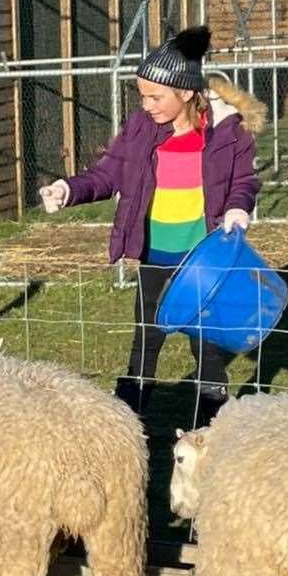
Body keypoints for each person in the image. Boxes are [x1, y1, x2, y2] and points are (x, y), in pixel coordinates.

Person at [40, 26, 266, 427]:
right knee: (146, 338)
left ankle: (211, 429)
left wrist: (237, 210)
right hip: (155, 255)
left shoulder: (228, 133)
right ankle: (126, 423)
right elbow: (108, 174)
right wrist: (68, 189)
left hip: (205, 258)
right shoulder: (142, 129)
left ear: (184, 92)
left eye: (154, 96)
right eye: (142, 95)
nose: (146, 104)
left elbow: (243, 182)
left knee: (208, 345)